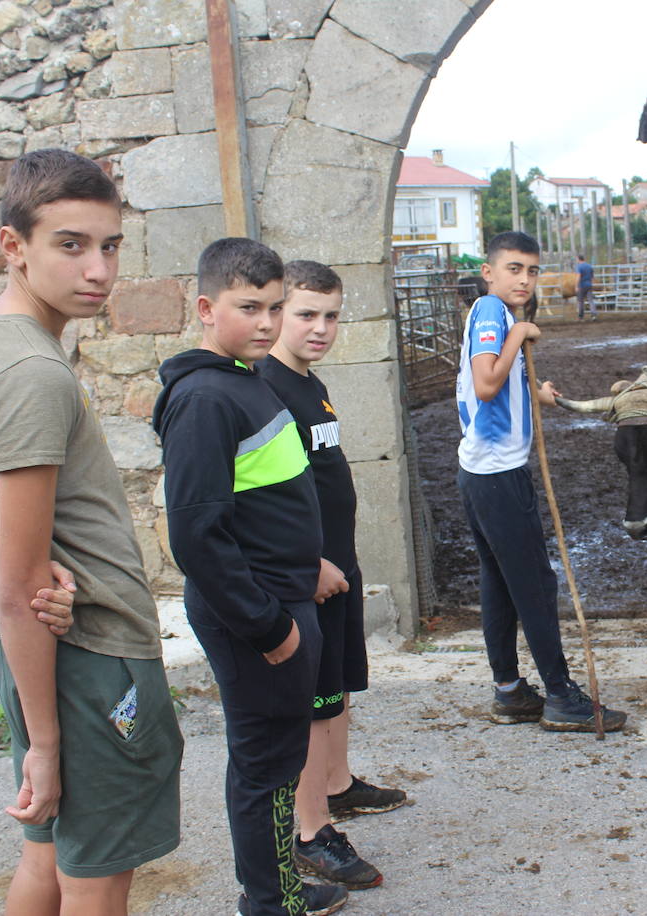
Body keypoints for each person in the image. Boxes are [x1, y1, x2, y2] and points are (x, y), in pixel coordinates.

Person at [0, 148, 183, 914]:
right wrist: (45, 740)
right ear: (14, 247)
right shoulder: (30, 375)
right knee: (96, 882)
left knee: (47, 856)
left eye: (109, 246)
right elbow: (15, 590)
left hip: (41, 655)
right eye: (70, 246)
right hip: (89, 659)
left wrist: (29, 577)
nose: (97, 269)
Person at [151, 239, 347, 916]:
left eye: (273, 306)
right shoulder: (206, 398)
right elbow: (197, 534)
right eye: (247, 307)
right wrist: (269, 626)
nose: (265, 322)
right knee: (265, 764)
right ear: (206, 308)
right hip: (257, 614)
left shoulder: (245, 377)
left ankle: (277, 889)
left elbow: (267, 499)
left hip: (284, 593)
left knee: (278, 757)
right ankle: (271, 900)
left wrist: (308, 561)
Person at [258, 260, 407, 891]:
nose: (321, 328)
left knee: (338, 686)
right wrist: (306, 563)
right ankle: (310, 828)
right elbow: (267, 497)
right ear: (278, 315)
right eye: (306, 315)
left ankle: (339, 785)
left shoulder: (309, 383)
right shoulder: (266, 386)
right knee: (314, 700)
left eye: (332, 315)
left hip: (336, 561)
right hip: (307, 572)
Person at [456, 231, 627, 733]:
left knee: (500, 584)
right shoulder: (493, 313)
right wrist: (520, 335)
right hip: (498, 476)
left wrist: (535, 392)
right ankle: (560, 696)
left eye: (531, 271)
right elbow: (487, 382)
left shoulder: (490, 314)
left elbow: (492, 384)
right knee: (534, 584)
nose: (525, 280)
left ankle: (509, 690)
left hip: (479, 473)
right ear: (489, 272)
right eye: (514, 269)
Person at [574, 253, 595, 320]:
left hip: (582, 286)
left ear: (578, 259)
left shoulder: (579, 267)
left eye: (576, 259)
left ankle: (581, 316)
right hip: (589, 285)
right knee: (590, 300)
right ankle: (593, 315)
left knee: (580, 301)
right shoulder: (589, 266)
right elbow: (592, 277)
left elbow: (578, 276)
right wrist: (590, 283)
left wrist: (576, 286)